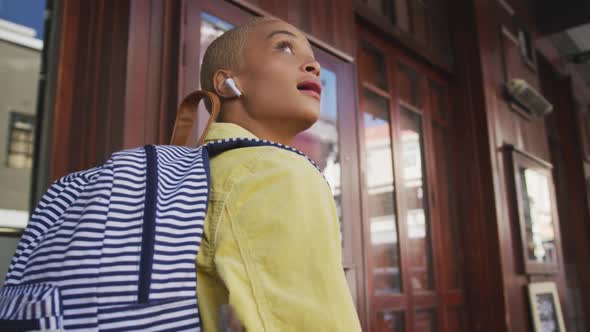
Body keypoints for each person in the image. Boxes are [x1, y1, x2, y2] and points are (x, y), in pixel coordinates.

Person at [196, 17, 362, 331]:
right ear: (227, 82)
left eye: (312, 57)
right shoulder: (276, 172)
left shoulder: (206, 171)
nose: (313, 65)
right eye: (284, 47)